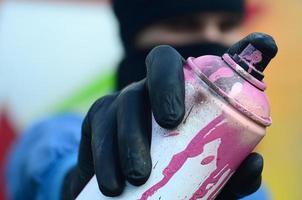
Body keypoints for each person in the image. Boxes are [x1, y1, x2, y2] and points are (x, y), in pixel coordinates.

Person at [5, 0, 274, 199]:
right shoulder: (60, 133)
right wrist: (74, 184)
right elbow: (42, 167)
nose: (211, 36)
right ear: (136, 37)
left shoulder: (247, 188)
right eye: (183, 24)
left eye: (227, 25)